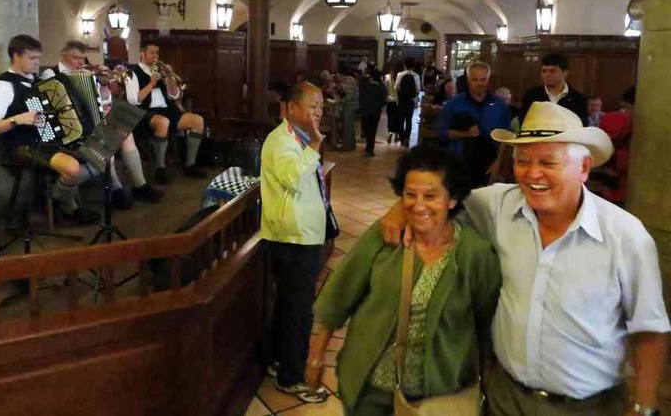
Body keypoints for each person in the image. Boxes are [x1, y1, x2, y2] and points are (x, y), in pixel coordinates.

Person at [381, 102, 670, 416]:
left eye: (548, 162)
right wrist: (401, 208)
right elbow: (439, 197)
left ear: (584, 168)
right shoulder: (497, 206)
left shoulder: (625, 236)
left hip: (590, 408)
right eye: (522, 161)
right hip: (505, 398)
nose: (532, 174)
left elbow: (649, 329)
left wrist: (644, 406)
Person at [307, 145, 501, 415]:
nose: (418, 205)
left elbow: (486, 325)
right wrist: (317, 354)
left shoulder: (475, 254)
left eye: (431, 196)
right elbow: (341, 292)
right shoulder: (386, 235)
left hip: (437, 397)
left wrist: (487, 385)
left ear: (452, 199)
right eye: (410, 194)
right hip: (370, 388)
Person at [0, 35, 101, 224]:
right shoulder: (2, 87)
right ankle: (65, 205)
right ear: (16, 56)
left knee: (100, 155)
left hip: (48, 139)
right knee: (72, 168)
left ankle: (58, 194)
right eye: (32, 58)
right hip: (22, 145)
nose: (37, 64)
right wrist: (16, 120)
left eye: (38, 58)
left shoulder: (35, 81)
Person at [260, 81, 331, 404]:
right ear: (290, 108)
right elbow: (292, 178)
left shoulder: (297, 138)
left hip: (301, 233)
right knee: (300, 310)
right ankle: (292, 377)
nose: (318, 111)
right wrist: (315, 145)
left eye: (320, 106)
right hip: (293, 237)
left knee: (289, 304)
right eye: (311, 106)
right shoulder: (280, 141)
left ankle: (278, 360)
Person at [40, 41, 164, 205]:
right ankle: (116, 189)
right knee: (107, 143)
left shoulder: (84, 73)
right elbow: (57, 101)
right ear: (63, 56)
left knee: (125, 131)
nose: (80, 63)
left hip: (89, 123)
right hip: (67, 127)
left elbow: (103, 101)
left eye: (82, 59)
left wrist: (104, 84)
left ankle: (139, 185)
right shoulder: (50, 73)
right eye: (76, 58)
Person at [125, 40, 206, 184]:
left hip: (166, 110)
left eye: (157, 53)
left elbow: (174, 96)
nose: (155, 56)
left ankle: (190, 164)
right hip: (144, 112)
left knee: (197, 120)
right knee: (163, 122)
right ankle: (159, 168)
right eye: (152, 53)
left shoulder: (160, 71)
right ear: (142, 54)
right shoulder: (131, 73)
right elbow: (133, 100)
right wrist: (151, 83)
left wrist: (169, 78)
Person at [439, 61, 510, 187]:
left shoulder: (500, 105)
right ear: (468, 80)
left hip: (489, 163)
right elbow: (442, 132)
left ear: (488, 80)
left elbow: (505, 137)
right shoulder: (454, 104)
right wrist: (465, 133)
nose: (479, 84)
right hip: (460, 163)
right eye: (475, 79)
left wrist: (498, 164)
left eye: (483, 79)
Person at [519, 53, 587, 126]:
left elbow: (581, 125)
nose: (547, 75)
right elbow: (524, 123)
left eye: (552, 71)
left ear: (565, 73)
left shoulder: (577, 98)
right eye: (544, 71)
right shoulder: (532, 95)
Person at [358, 70, 387, 157]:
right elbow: (383, 102)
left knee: (366, 128)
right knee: (372, 130)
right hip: (375, 112)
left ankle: (365, 135)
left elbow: (360, 98)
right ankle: (369, 150)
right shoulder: (382, 88)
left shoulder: (364, 86)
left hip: (365, 111)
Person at [395, 59, 420, 148]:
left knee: (401, 120)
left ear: (404, 65)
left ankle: (401, 139)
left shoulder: (400, 75)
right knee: (409, 120)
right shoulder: (416, 76)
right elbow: (418, 89)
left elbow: (397, 87)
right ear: (413, 66)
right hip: (410, 101)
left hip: (401, 101)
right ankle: (407, 139)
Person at [383, 63, 400, 144]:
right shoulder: (399, 77)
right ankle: (396, 135)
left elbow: (385, 89)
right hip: (397, 101)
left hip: (389, 101)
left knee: (390, 118)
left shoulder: (387, 78)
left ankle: (390, 132)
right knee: (397, 118)